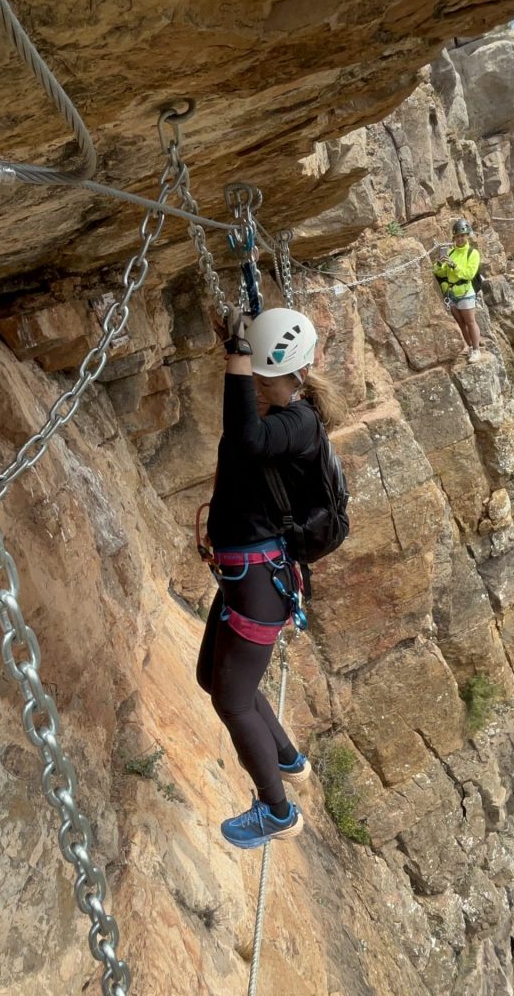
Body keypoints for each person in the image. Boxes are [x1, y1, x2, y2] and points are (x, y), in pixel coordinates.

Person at [196, 305, 344, 850]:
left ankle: (276, 811)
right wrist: (234, 346)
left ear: (287, 377)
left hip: (260, 583)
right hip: (247, 576)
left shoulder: (298, 423)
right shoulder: (274, 414)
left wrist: (237, 357)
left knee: (232, 701)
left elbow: (246, 440)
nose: (250, 387)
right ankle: (286, 757)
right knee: (212, 679)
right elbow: (244, 432)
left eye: (258, 378)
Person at [433, 218, 483, 363]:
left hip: (466, 292)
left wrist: (454, 266)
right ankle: (470, 347)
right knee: (461, 323)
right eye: (457, 236)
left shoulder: (472, 253)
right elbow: (441, 273)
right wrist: (440, 264)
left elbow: (469, 274)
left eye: (463, 235)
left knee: (470, 322)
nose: (460, 239)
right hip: (452, 292)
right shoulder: (451, 252)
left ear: (467, 236)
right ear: (454, 238)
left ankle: (476, 349)